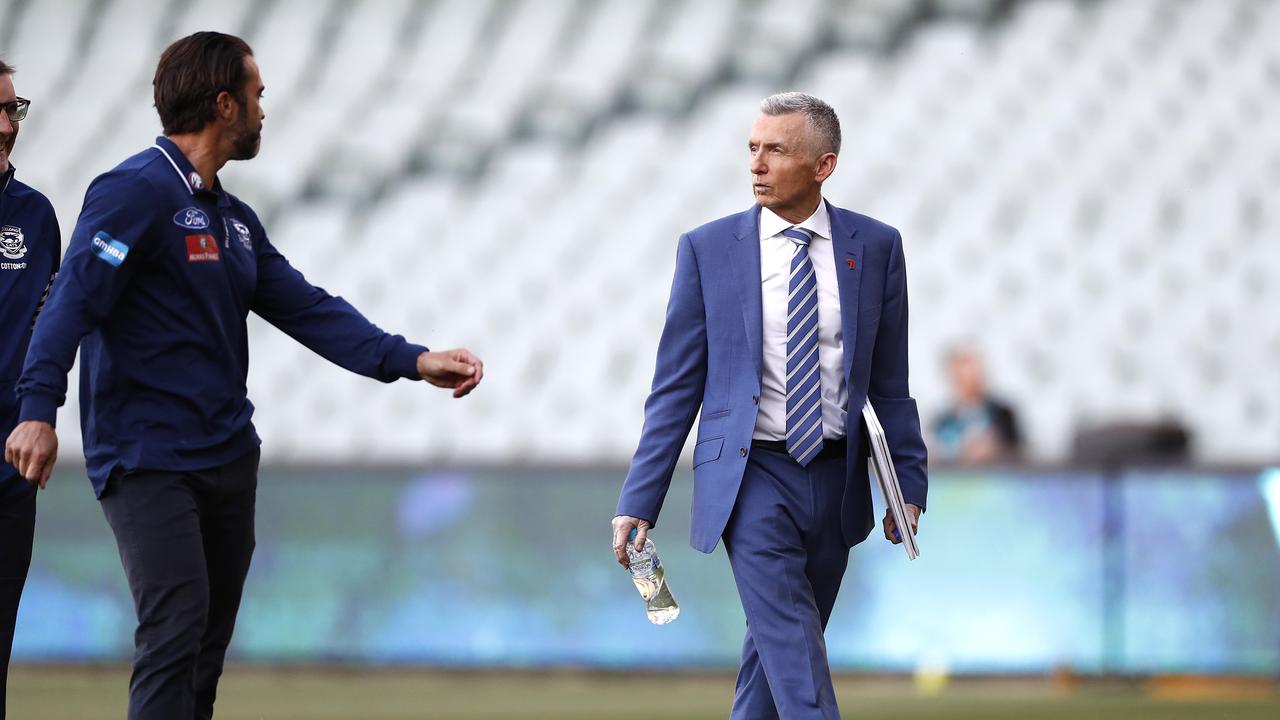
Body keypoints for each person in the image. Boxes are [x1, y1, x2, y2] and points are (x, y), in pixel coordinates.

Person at [3, 32, 483, 720]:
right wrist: (37, 408)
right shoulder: (131, 192)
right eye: (257, 96)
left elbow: (309, 308)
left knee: (202, 651)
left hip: (227, 458)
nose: (264, 110)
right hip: (147, 461)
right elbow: (72, 300)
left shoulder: (234, 221)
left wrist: (411, 360)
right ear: (224, 104)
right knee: (174, 631)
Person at [611, 92, 928, 719]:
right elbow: (674, 387)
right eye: (752, 148)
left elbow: (890, 382)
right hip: (750, 475)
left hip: (838, 477)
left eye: (775, 150)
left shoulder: (879, 247)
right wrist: (639, 500)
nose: (756, 163)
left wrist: (908, 486)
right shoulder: (706, 249)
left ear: (823, 165)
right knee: (791, 638)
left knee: (777, 655)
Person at [0, 58, 60, 720]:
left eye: (14, 109)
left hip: (7, 464)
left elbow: (50, 328)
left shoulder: (35, 217)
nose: (10, 123)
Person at [931, 345, 1022, 464]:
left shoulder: (1003, 415)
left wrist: (996, 448)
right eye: (961, 377)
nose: (967, 382)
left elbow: (1018, 453)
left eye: (972, 375)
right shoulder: (942, 421)